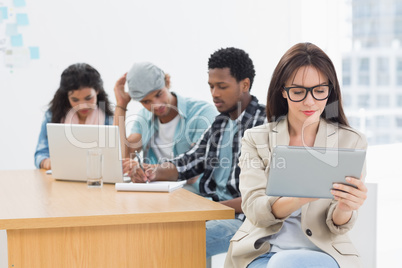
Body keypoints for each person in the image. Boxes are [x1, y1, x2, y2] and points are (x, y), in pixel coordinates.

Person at [225, 42, 368, 268]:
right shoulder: (256, 139)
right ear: (283, 91)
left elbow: (337, 224)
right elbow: (254, 210)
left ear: (330, 90)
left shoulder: (351, 141)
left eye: (319, 91)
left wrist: (346, 207)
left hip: (324, 252)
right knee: (282, 262)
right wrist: (299, 196)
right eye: (298, 91)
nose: (310, 102)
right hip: (263, 252)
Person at [125, 48, 266, 258]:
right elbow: (188, 162)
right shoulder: (220, 123)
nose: (214, 94)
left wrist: (209, 208)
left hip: (246, 221)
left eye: (222, 86)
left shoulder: (265, 124)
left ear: (244, 84)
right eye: (211, 86)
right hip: (216, 212)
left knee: (172, 241)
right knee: (148, 229)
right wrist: (152, 171)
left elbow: (264, 197)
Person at [113, 62, 217, 193]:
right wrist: (121, 106)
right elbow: (122, 157)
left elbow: (193, 171)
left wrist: (146, 169)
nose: (156, 105)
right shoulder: (144, 117)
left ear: (167, 83)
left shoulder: (202, 113)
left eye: (158, 94)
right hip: (156, 196)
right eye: (146, 101)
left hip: (194, 197)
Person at [34, 63, 114, 170]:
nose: (82, 106)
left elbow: (114, 157)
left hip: (96, 177)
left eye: (88, 98)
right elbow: (41, 153)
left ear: (97, 91)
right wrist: (47, 162)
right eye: (75, 100)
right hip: (61, 176)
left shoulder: (108, 118)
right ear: (67, 96)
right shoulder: (53, 115)